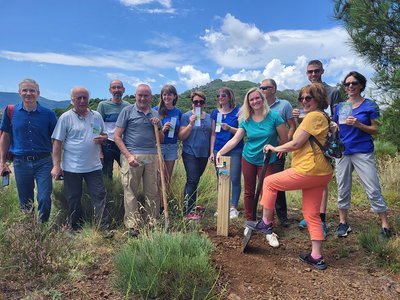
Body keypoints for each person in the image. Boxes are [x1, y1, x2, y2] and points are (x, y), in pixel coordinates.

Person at [260, 82, 334, 270]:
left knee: (269, 182)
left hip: (308, 169)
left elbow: (295, 143)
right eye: (301, 98)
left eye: (308, 98)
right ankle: (316, 256)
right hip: (322, 172)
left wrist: (275, 147)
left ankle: (265, 222)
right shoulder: (323, 116)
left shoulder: (313, 117)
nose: (303, 101)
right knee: (311, 214)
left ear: (318, 98)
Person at [216, 87, 288, 247]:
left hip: (267, 160)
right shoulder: (246, 120)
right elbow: (235, 140)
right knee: (249, 191)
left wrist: (280, 151)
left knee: (268, 193)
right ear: (248, 103)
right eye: (251, 99)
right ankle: (250, 222)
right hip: (248, 158)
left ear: (262, 99)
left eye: (257, 98)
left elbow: (284, 138)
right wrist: (220, 151)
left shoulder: (274, 117)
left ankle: (268, 228)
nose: (255, 101)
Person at [333, 71, 391, 238]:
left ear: (361, 85)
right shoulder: (341, 107)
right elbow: (337, 127)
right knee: (343, 187)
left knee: (372, 187)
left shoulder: (370, 105)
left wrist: (358, 124)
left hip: (363, 151)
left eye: (354, 83)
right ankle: (343, 223)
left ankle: (385, 224)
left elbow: (376, 130)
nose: (350, 86)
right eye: (347, 84)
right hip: (343, 152)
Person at [51, 86, 112, 235]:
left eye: (85, 97)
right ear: (72, 100)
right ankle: (74, 228)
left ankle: (103, 228)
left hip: (94, 166)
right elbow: (57, 143)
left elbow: (103, 134)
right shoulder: (65, 117)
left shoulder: (96, 116)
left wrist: (103, 138)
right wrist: (56, 166)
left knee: (99, 196)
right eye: (79, 98)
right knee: (73, 198)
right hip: (72, 167)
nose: (83, 100)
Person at [294, 59, 343, 236]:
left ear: (322, 71)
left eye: (316, 71)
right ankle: (310, 215)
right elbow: (306, 119)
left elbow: (338, 116)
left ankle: (320, 219)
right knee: (308, 177)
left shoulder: (333, 92)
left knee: (321, 180)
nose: (313, 74)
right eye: (310, 72)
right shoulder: (305, 92)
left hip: (324, 141)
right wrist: (297, 116)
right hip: (308, 141)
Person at [0, 79, 57, 223]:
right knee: (25, 200)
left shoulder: (48, 114)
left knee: (44, 198)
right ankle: (29, 231)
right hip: (20, 162)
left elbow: (56, 140)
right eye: (25, 90)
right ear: (19, 93)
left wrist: (57, 163)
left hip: (44, 161)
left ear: (38, 93)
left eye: (32, 90)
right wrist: (2, 162)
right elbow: (5, 136)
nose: (28, 93)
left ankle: (42, 226)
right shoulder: (10, 111)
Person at [114, 84, 163, 237]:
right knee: (130, 191)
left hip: (151, 157)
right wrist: (128, 156)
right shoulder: (127, 111)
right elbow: (117, 136)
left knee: (152, 191)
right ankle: (132, 225)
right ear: (135, 96)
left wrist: (159, 126)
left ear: (150, 97)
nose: (143, 98)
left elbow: (160, 140)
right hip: (132, 156)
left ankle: (152, 222)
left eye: (146, 95)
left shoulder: (155, 113)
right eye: (140, 95)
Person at [260, 79, 295, 227]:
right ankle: (265, 215)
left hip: (278, 151)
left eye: (265, 88)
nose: (262, 90)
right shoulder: (258, 105)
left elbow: (292, 126)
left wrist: (283, 146)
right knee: (263, 182)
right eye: (260, 87)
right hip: (261, 151)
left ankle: (282, 216)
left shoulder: (284, 105)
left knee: (278, 183)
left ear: (273, 89)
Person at [209, 87, 243, 219]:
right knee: (222, 178)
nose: (220, 98)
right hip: (219, 150)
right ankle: (222, 205)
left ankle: (233, 207)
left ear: (229, 97)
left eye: (223, 95)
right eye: (218, 96)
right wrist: (212, 151)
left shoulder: (238, 111)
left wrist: (229, 128)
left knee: (234, 178)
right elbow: (213, 134)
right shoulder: (215, 113)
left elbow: (241, 131)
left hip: (235, 150)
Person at [178, 91, 211, 220]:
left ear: (204, 103)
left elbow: (212, 134)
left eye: (201, 102)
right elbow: (181, 136)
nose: (198, 104)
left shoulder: (209, 117)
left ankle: (192, 204)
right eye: (195, 102)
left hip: (204, 154)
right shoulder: (186, 116)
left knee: (195, 180)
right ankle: (188, 211)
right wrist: (191, 124)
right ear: (192, 102)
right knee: (192, 180)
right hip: (190, 153)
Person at [97, 80, 130, 179]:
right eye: (114, 87)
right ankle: (109, 193)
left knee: (128, 171)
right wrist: (99, 150)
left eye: (119, 87)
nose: (117, 90)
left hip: (123, 143)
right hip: (107, 143)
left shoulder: (128, 106)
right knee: (107, 174)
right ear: (110, 90)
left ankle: (126, 193)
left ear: (123, 90)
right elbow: (96, 126)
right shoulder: (102, 105)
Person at [153, 84, 182, 195]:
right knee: (157, 176)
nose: (166, 97)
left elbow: (179, 130)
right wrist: (162, 129)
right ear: (161, 96)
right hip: (159, 146)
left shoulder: (178, 112)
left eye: (169, 94)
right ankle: (155, 203)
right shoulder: (155, 110)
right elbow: (151, 132)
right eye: (164, 95)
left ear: (174, 96)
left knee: (167, 177)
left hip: (172, 146)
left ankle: (164, 205)